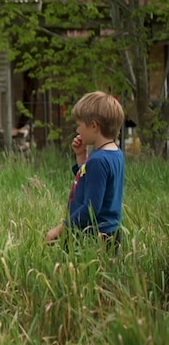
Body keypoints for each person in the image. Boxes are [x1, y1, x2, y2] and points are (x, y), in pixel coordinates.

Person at [45, 91, 125, 249]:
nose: (78, 130)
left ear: (94, 126)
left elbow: (90, 208)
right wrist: (82, 156)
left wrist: (61, 229)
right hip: (111, 234)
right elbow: (92, 182)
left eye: (80, 124)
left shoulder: (98, 160)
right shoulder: (115, 154)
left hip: (91, 236)